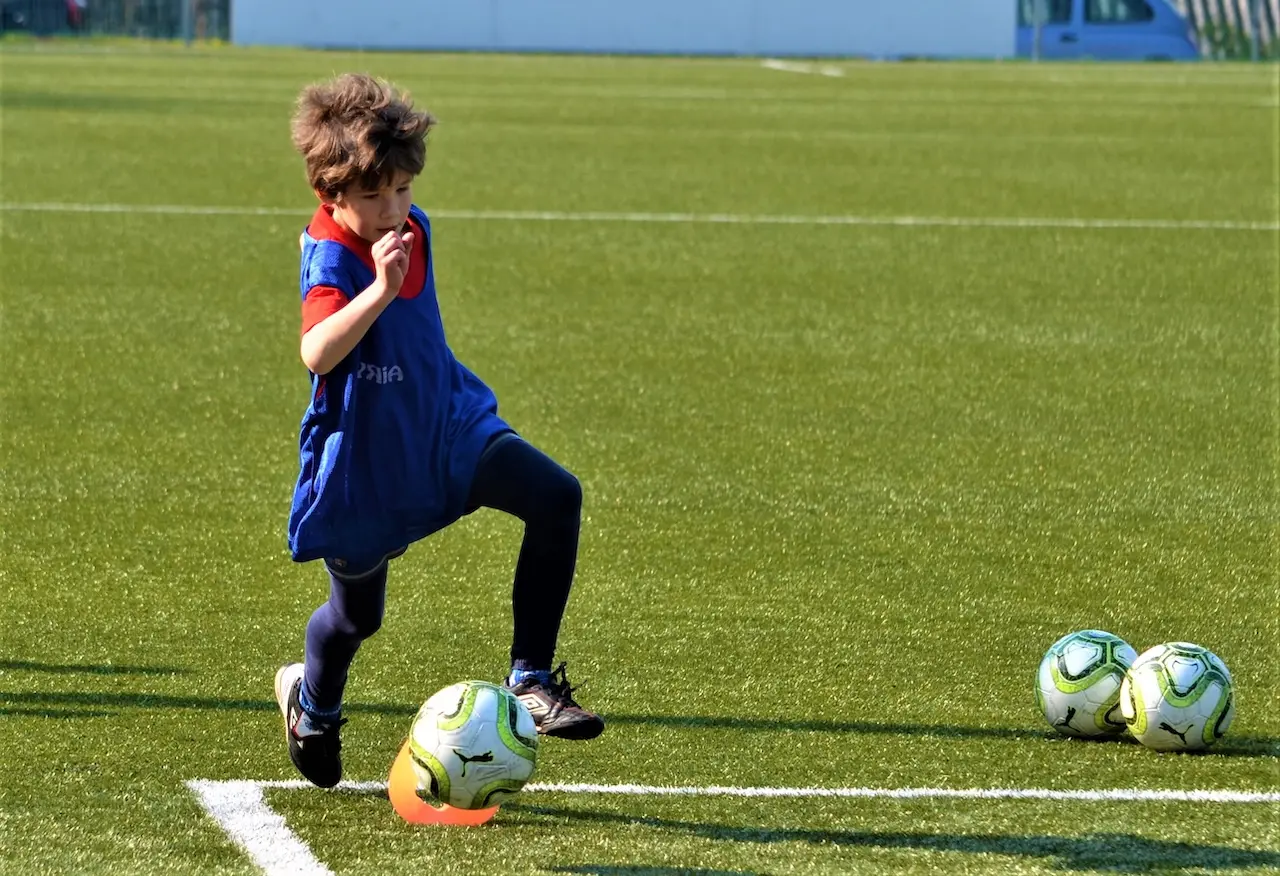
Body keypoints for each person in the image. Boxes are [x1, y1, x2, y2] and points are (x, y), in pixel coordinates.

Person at [274, 72, 604, 789]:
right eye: (374, 196)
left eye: (403, 189)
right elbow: (317, 351)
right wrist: (379, 290)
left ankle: (529, 679)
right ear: (330, 192)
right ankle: (313, 705)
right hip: (368, 461)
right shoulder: (332, 255)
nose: (393, 209)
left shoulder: (409, 224)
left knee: (556, 496)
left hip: (447, 425)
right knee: (356, 619)